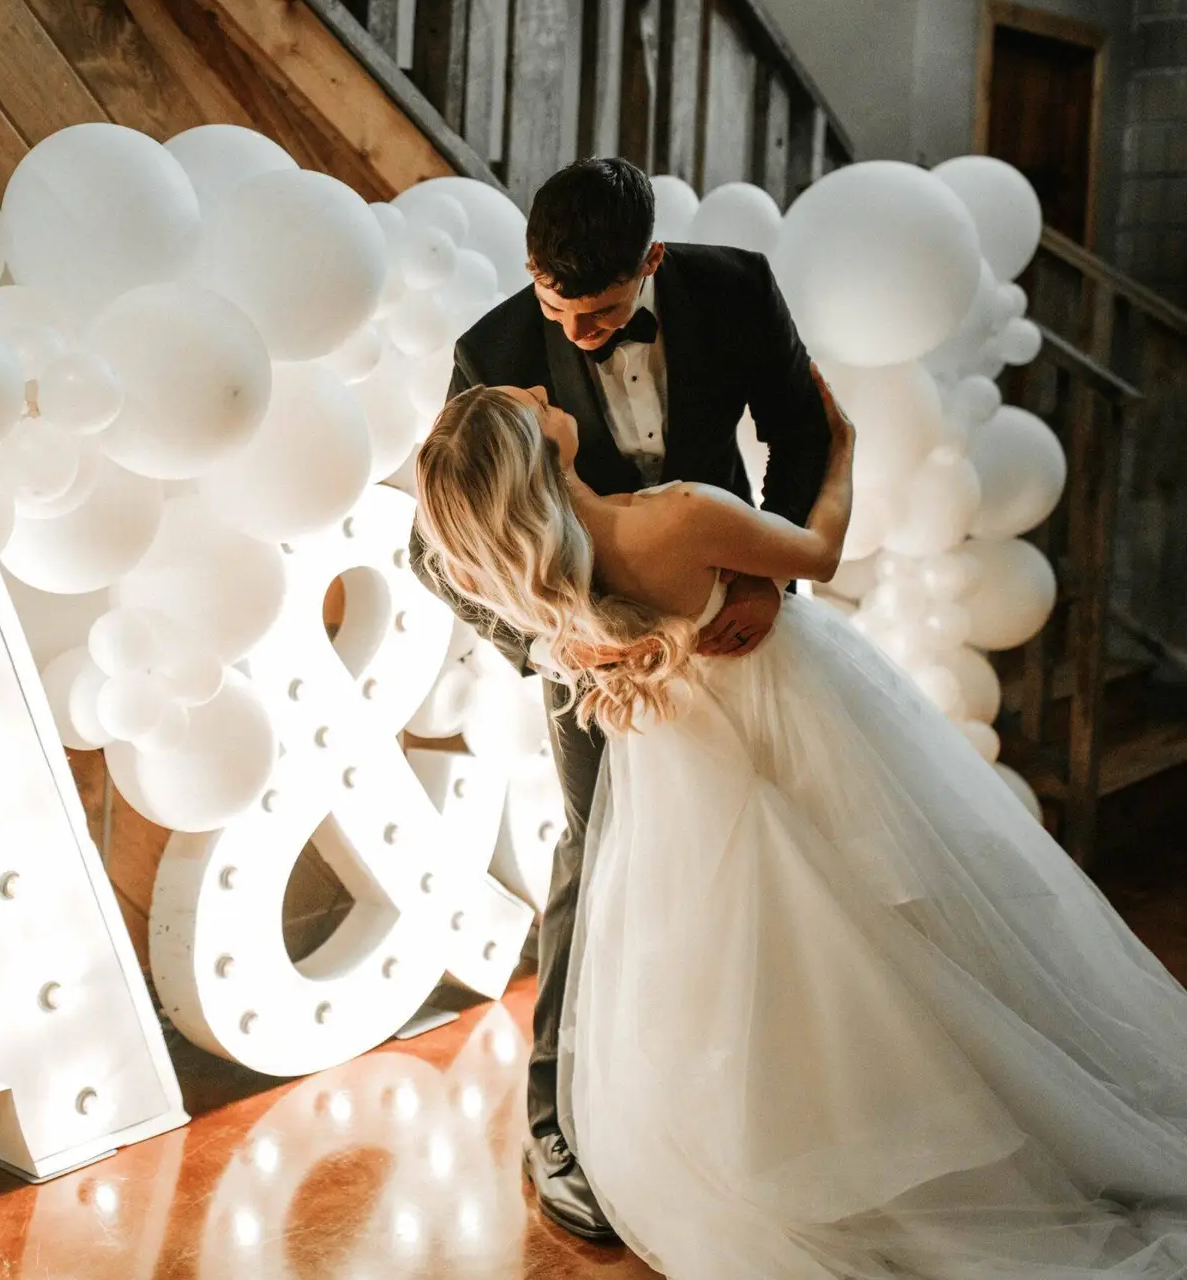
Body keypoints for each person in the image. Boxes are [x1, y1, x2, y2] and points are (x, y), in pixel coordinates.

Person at [412, 367, 1187, 1276]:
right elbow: (816, 555)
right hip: (789, 720)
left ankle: (810, 1143)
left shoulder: (558, 583)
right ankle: (956, 1125)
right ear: (537, 451)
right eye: (532, 408)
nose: (548, 395)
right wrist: (843, 450)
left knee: (749, 964)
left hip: (681, 771)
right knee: (882, 919)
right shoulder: (676, 513)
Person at [408, 155, 833, 1241]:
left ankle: (759, 1106)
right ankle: (555, 1122)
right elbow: (438, 545)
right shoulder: (494, 354)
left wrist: (765, 573)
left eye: (603, 313)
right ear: (532, 276)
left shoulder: (735, 287)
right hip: (593, 654)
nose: (582, 334)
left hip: (733, 615)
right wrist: (559, 644)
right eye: (563, 310)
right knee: (595, 856)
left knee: (774, 848)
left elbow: (803, 430)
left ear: (651, 261)